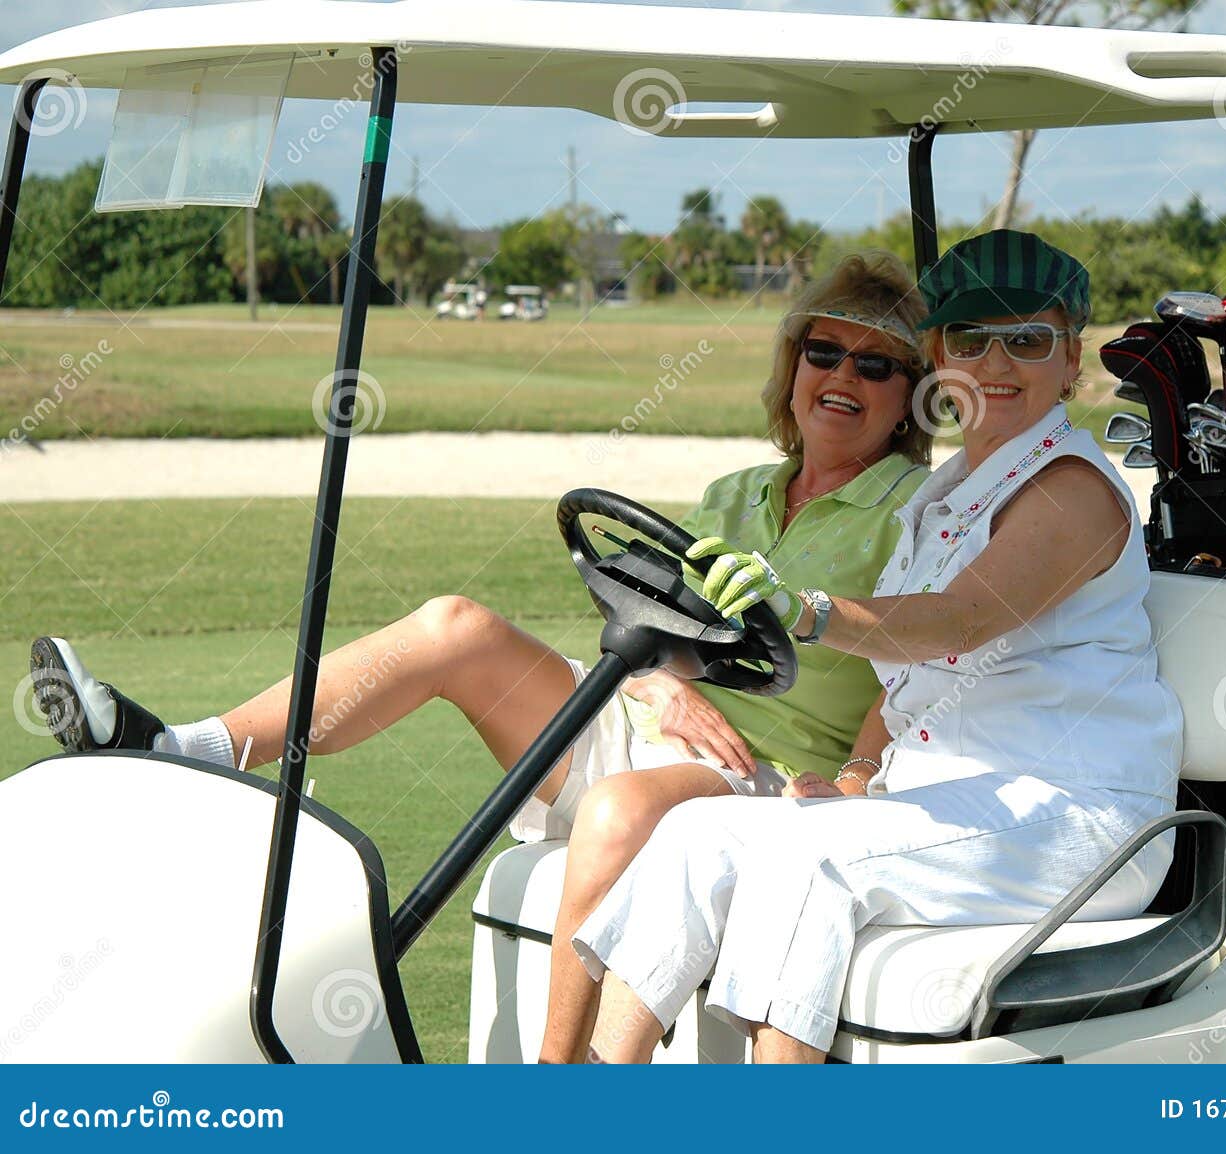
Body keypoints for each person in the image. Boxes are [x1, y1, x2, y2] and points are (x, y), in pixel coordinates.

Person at [23, 252, 933, 1058]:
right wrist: (660, 688)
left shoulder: (914, 512)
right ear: (794, 367)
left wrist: (852, 782)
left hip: (760, 773)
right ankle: (183, 747)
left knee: (616, 811)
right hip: (652, 720)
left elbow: (919, 667)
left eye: (876, 364)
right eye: (824, 352)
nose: (842, 375)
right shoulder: (739, 491)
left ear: (907, 400)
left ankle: (555, 1081)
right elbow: (659, 613)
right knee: (453, 626)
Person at [560, 229, 1184, 1063]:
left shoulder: (1072, 488)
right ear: (940, 353)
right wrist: (856, 777)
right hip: (951, 802)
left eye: (1028, 341)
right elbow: (906, 687)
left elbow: (959, 621)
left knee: (809, 864)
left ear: (1071, 359)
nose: (997, 363)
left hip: (1072, 813)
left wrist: (807, 609)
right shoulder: (946, 492)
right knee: (691, 837)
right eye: (971, 339)